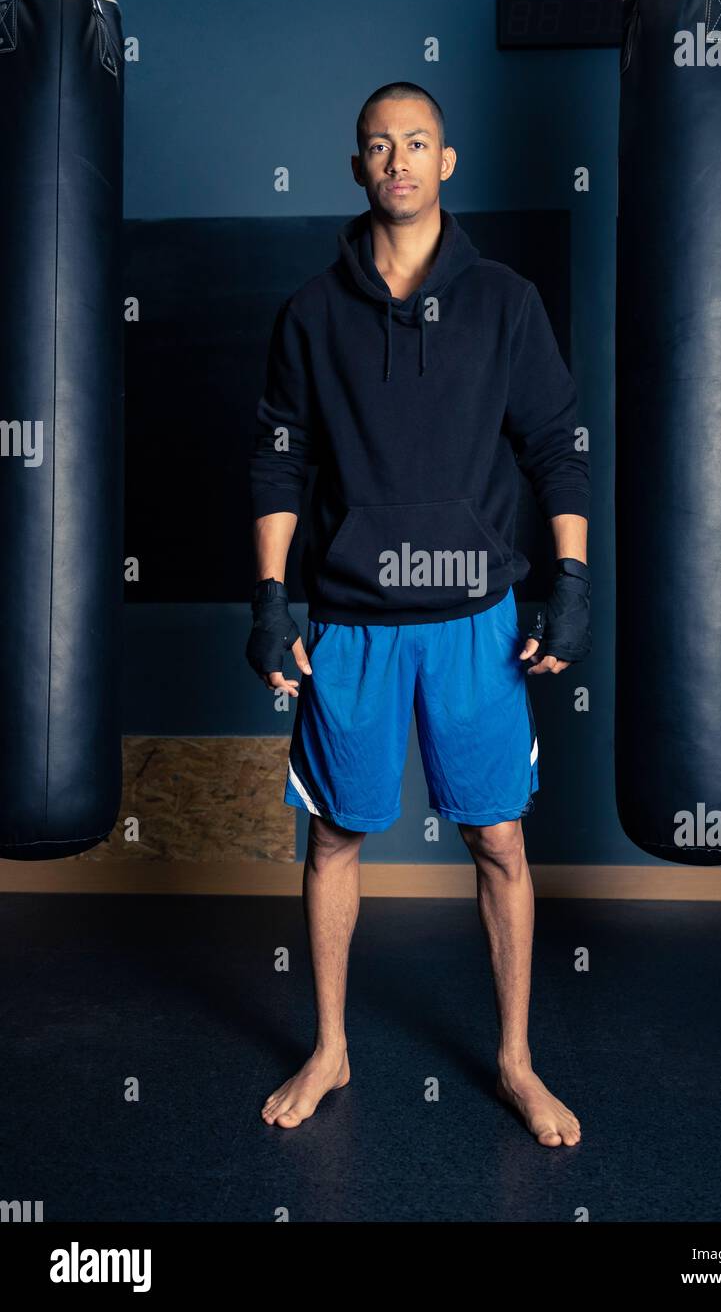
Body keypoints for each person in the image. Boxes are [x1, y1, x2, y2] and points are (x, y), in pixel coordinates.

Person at [247, 82, 591, 1147]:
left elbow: (556, 443)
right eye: (376, 145)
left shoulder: (503, 301)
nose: (397, 159)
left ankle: (514, 1059)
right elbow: (277, 460)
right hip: (348, 623)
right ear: (357, 167)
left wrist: (570, 581)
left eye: (416, 143)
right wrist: (269, 598)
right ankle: (330, 1046)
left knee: (495, 838)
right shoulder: (309, 313)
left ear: (446, 162)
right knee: (337, 836)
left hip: (473, 622)